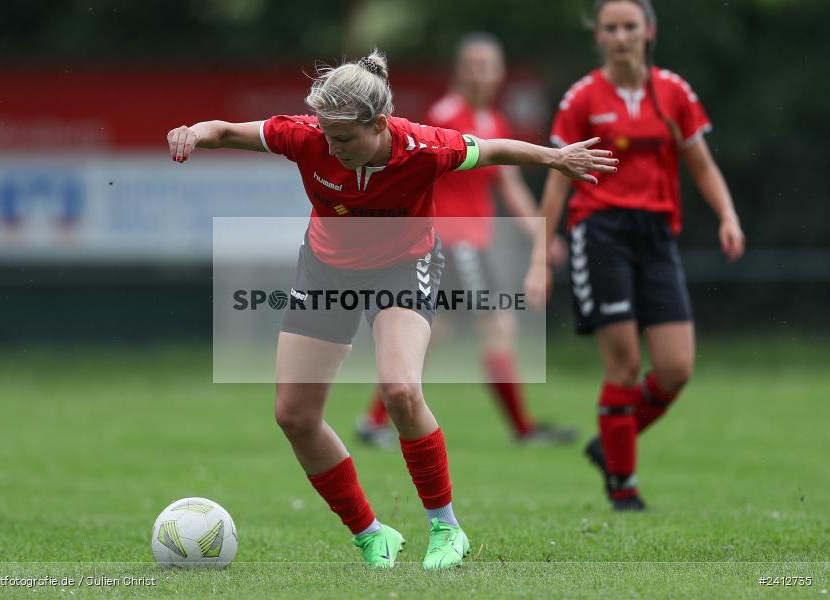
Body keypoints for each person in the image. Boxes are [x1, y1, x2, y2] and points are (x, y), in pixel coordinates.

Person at [167, 49, 616, 567]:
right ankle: (370, 533)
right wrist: (194, 131)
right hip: (325, 271)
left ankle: (446, 529)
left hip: (403, 266)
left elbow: (492, 151)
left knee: (402, 390)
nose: (332, 149)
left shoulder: (424, 146)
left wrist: (556, 158)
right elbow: (224, 131)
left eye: (345, 139)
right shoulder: (306, 135)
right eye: (327, 136)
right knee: (293, 415)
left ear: (379, 124)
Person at [524, 0, 745, 511]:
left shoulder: (674, 91)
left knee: (676, 368)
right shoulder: (582, 97)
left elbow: (702, 165)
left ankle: (610, 443)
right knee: (623, 366)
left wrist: (728, 215)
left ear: (649, 31)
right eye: (611, 28)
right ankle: (624, 486)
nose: (622, 36)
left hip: (656, 235)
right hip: (600, 233)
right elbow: (558, 183)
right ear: (598, 36)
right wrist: (539, 257)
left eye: (630, 26)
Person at [356, 33, 577, 448]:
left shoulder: (494, 121)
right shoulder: (447, 114)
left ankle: (373, 421)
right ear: (460, 70)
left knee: (434, 333)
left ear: (500, 71)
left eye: (488, 64)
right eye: (473, 63)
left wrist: (540, 234)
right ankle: (523, 430)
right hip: (452, 241)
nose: (482, 72)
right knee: (498, 325)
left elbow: (509, 184)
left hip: (467, 244)